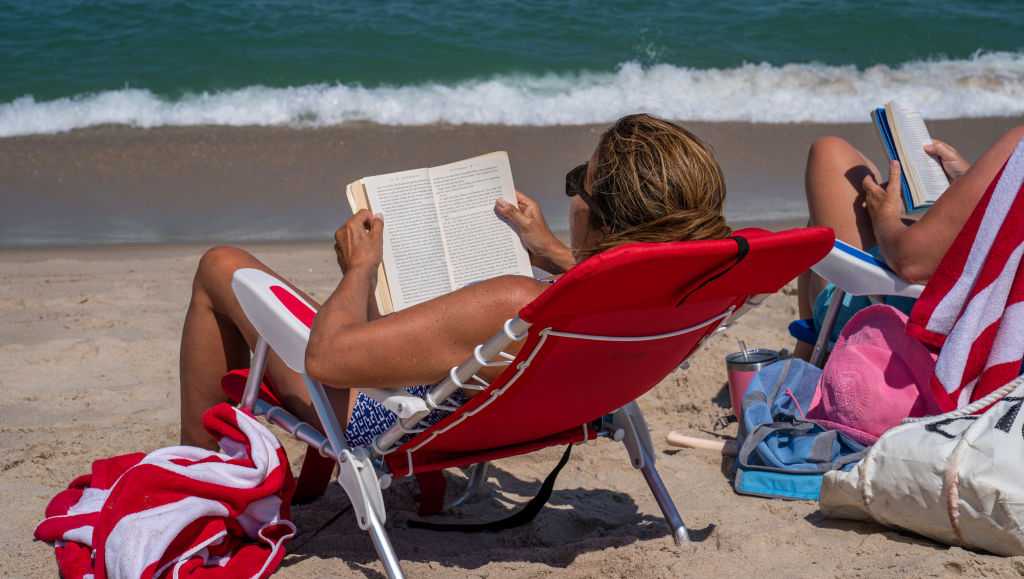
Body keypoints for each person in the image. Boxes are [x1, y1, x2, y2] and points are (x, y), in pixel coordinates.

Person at [179, 113, 732, 449]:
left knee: (221, 265)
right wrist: (549, 251)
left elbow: (326, 361)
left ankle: (194, 468)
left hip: (392, 423)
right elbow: (612, 276)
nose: (570, 200)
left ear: (600, 216)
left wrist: (360, 269)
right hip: (526, 416)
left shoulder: (516, 303)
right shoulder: (680, 292)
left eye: (577, 186)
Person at [795, 125, 1024, 358]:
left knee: (828, 155)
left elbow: (910, 263)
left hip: (930, 319)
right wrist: (970, 181)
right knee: (841, 175)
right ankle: (806, 347)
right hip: (997, 305)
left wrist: (884, 217)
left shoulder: (1020, 143)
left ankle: (809, 347)